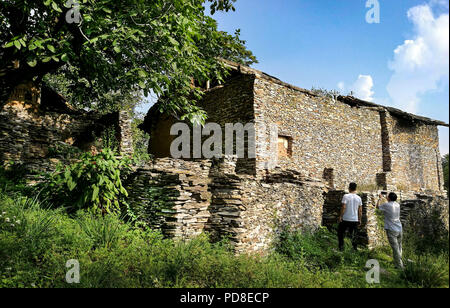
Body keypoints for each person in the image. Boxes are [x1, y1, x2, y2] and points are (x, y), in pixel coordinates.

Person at [376, 192, 404, 269]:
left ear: (389, 198)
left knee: (395, 248)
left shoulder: (386, 205)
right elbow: (389, 202)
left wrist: (380, 198)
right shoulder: (397, 204)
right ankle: (398, 261)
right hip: (399, 227)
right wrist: (386, 198)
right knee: (399, 246)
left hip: (391, 229)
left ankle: (399, 266)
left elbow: (378, 207)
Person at [338, 183, 363, 251]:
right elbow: (360, 210)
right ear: (356, 188)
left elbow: (343, 207)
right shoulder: (359, 198)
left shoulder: (346, 196)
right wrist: (359, 219)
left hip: (345, 218)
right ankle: (354, 249)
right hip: (354, 219)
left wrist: (340, 216)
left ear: (349, 188)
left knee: (341, 234)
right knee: (354, 235)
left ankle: (341, 248)